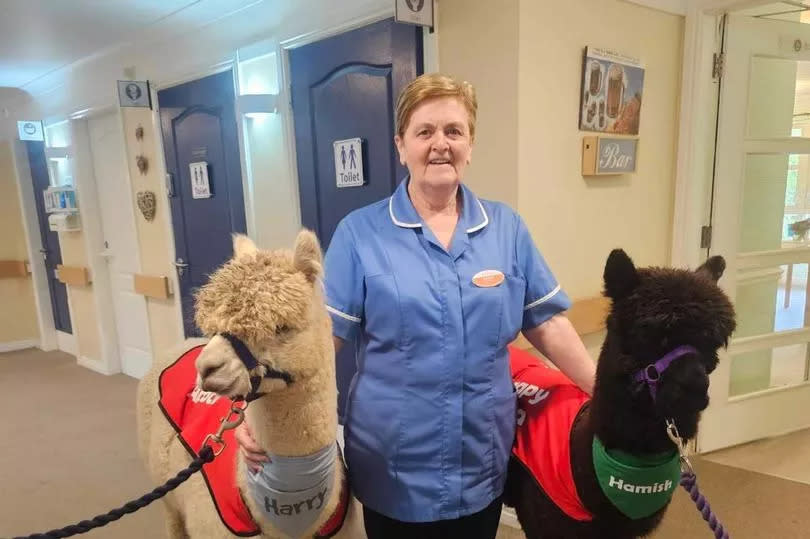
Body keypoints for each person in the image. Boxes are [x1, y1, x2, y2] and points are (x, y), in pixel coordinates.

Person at [236, 73, 596, 539]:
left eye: (454, 130)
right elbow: (319, 344)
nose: (440, 144)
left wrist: (602, 390)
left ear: (470, 143)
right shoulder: (359, 234)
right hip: (394, 464)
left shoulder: (507, 229)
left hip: (481, 456)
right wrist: (256, 412)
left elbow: (547, 323)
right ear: (401, 146)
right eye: (424, 132)